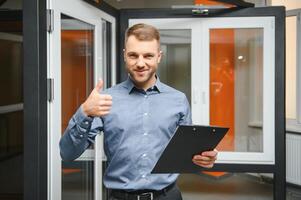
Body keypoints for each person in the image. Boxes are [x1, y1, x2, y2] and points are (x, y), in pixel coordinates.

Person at [60, 23, 218, 200]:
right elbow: (67, 153)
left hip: (167, 196)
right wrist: (84, 112)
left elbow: (186, 152)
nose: (140, 63)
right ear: (124, 56)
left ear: (159, 57)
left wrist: (204, 157)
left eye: (148, 56)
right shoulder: (105, 100)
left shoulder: (178, 100)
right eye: (133, 55)